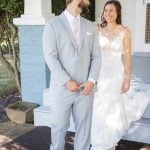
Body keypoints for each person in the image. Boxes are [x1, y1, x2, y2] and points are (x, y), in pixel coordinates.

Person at [91, 0, 150, 150]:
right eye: (105, 10)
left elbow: (128, 56)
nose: (108, 13)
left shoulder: (125, 31)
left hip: (116, 72)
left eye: (111, 10)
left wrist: (127, 78)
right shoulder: (96, 28)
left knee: (112, 104)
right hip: (100, 71)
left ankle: (110, 137)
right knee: (99, 105)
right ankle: (99, 138)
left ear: (117, 13)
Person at [43, 0, 101, 150]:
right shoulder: (52, 25)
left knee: (84, 130)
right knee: (59, 127)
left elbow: (97, 57)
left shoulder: (90, 26)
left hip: (86, 89)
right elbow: (50, 57)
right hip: (62, 88)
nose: (89, 1)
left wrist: (92, 80)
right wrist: (66, 81)